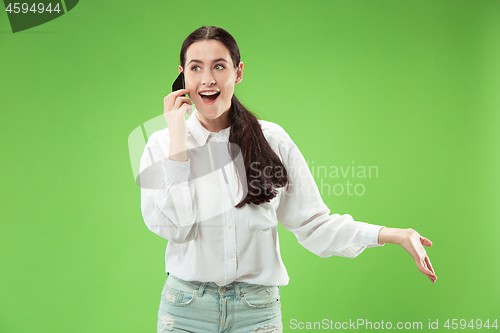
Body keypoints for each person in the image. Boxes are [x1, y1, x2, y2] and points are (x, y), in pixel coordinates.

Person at [139, 26, 437, 333]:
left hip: (256, 314)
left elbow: (314, 224)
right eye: (196, 68)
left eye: (219, 66)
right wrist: (177, 141)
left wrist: (394, 235)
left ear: (238, 72)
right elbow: (174, 228)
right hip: (186, 312)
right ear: (182, 76)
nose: (208, 79)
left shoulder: (271, 140)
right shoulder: (161, 145)